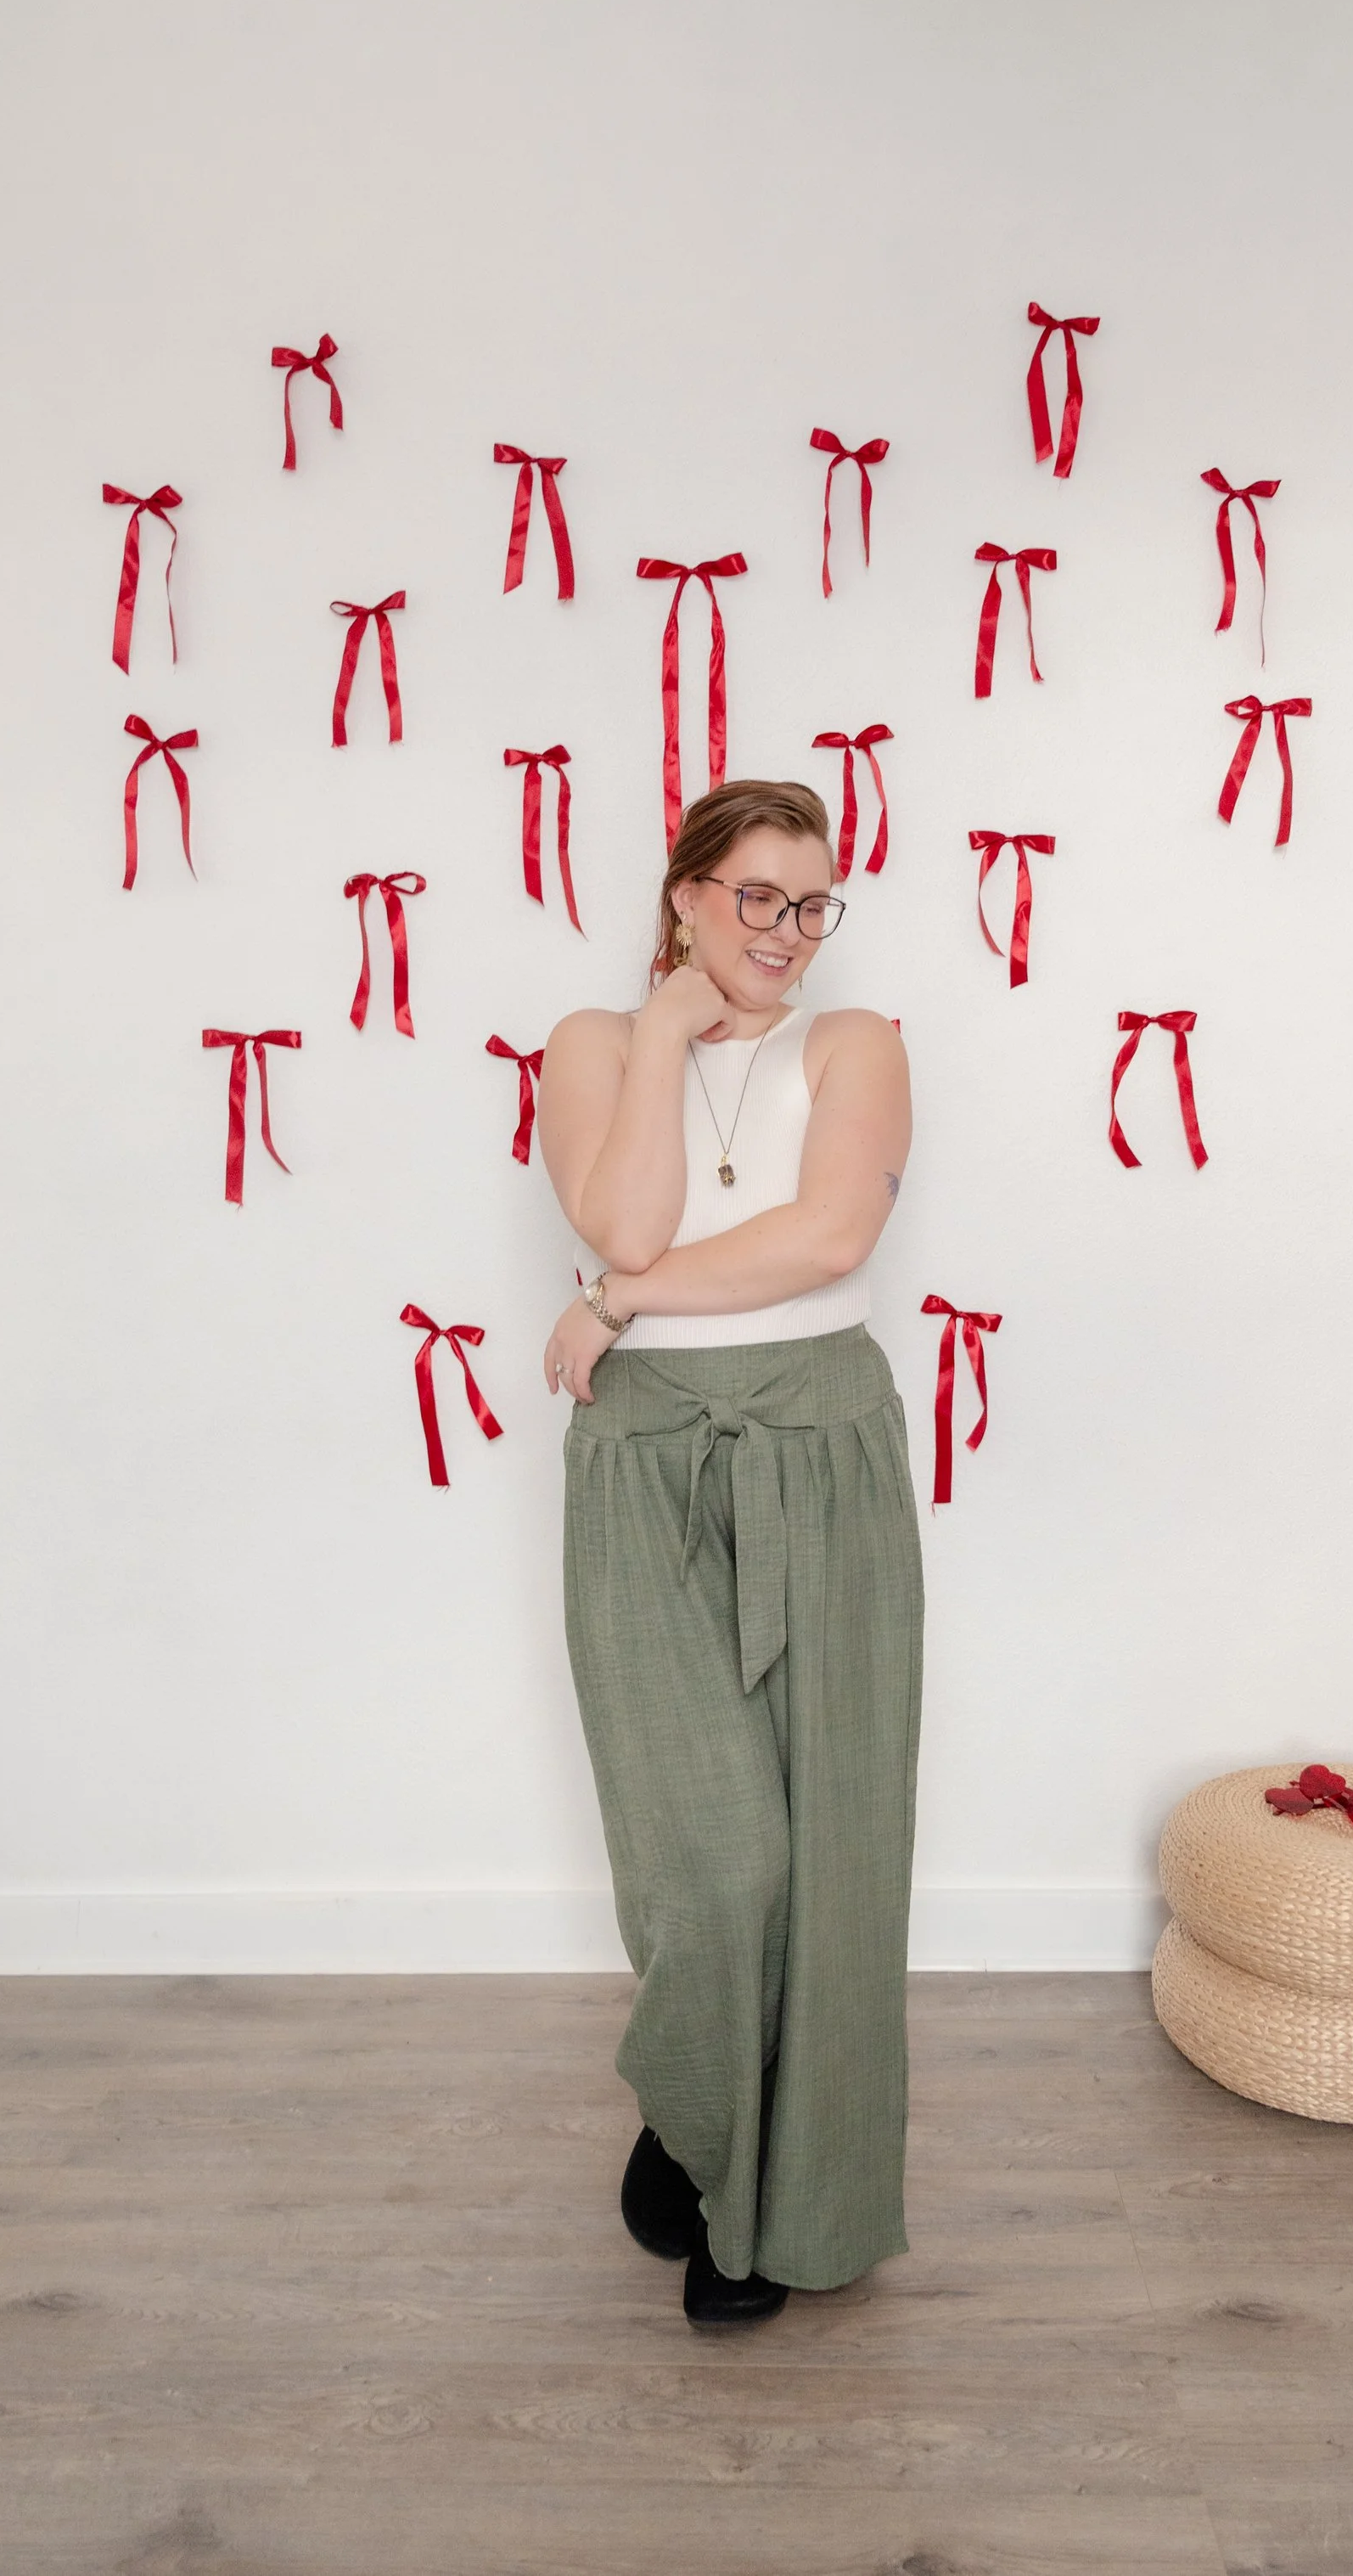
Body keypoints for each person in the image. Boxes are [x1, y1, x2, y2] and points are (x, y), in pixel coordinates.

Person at [536, 778, 924, 2327]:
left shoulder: (858, 1046)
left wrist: (615, 1309)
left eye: (811, 901)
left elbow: (827, 1241)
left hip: (821, 1445)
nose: (787, 929)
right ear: (686, 894)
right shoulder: (588, 1046)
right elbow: (625, 1218)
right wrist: (656, 1035)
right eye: (756, 894)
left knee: (822, 1859)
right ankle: (694, 2111)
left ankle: (771, 2206)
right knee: (714, 1858)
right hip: (643, 1466)